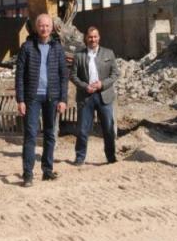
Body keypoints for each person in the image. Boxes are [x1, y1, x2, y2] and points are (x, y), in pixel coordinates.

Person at [15, 13, 68, 187]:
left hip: (52, 97)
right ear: (36, 28)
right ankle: (28, 174)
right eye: (41, 26)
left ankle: (47, 170)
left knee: (50, 134)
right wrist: (20, 99)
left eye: (47, 26)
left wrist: (63, 99)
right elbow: (20, 75)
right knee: (30, 135)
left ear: (52, 28)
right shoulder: (28, 47)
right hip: (32, 98)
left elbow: (63, 76)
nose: (44, 29)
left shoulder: (57, 48)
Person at [69, 26, 119, 166]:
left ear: (99, 37)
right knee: (83, 129)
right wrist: (86, 86)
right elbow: (72, 75)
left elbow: (115, 74)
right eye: (90, 37)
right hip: (86, 97)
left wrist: (101, 84)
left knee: (108, 129)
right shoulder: (79, 56)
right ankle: (80, 157)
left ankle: (111, 157)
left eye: (95, 36)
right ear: (86, 38)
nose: (93, 39)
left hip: (104, 96)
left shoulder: (109, 53)